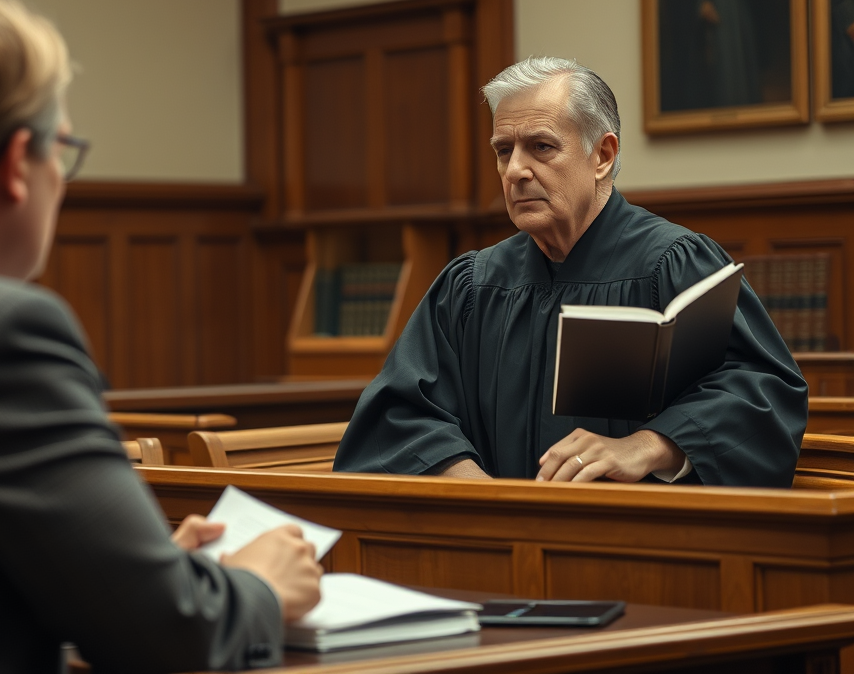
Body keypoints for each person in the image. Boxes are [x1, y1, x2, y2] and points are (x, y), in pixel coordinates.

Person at [0, 0, 321, 673]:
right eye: (62, 150)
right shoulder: (0, 337)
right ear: (15, 165)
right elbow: (172, 636)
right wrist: (258, 586)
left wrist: (131, 572)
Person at [334, 57, 806, 488]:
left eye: (541, 147)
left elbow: (762, 392)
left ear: (602, 156)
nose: (515, 171)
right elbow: (398, 414)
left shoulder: (674, 263)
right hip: (497, 539)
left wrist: (647, 446)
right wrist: (480, 492)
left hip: (641, 542)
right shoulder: (473, 286)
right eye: (504, 150)